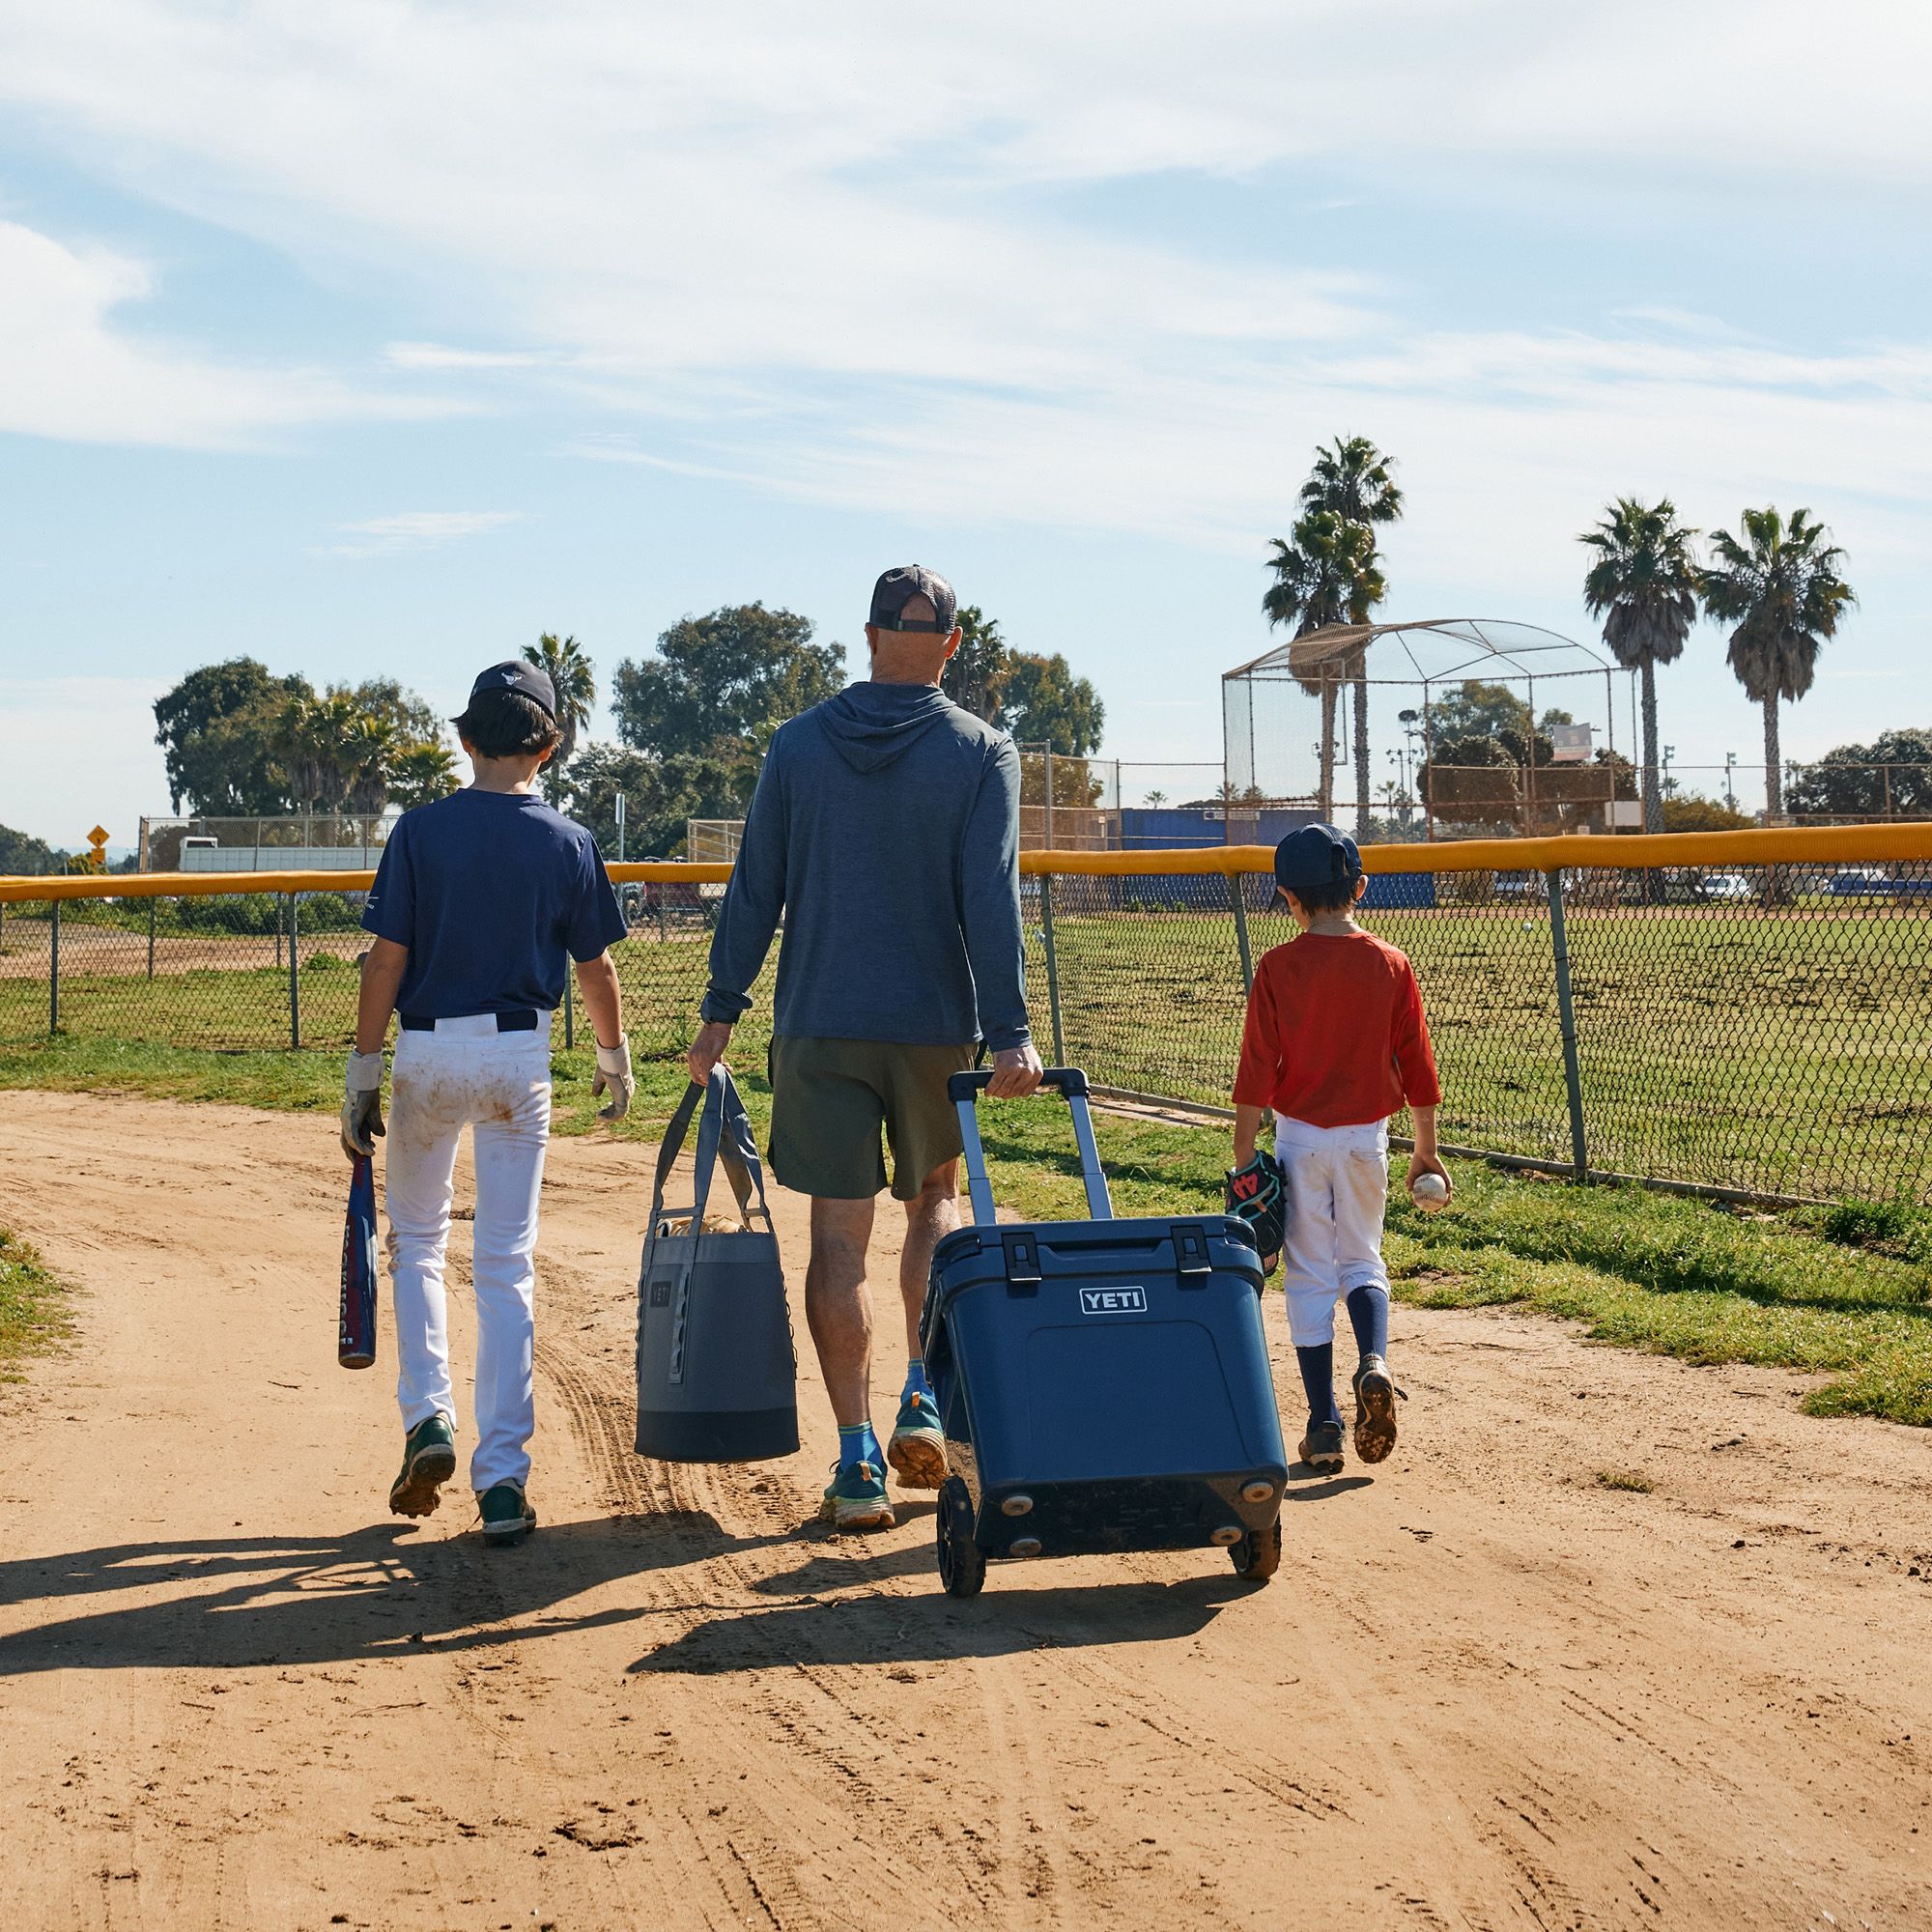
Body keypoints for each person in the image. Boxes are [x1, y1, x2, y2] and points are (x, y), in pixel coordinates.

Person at [686, 565, 1044, 1531]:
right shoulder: (980, 750)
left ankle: (853, 1461)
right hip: (935, 1026)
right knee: (934, 1199)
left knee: (837, 1238)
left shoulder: (798, 747)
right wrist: (1009, 1027)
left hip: (819, 1021)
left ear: (867, 635)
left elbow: (753, 885)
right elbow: (990, 902)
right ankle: (921, 1391)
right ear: (952, 645)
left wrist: (720, 1007)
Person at [342, 660, 636, 1545]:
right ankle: (502, 1483)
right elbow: (597, 968)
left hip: (429, 1051)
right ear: (548, 747)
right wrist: (615, 1058)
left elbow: (385, 963)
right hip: (519, 1054)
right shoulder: (569, 840)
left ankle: (428, 1419)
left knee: (420, 1245)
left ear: (465, 741)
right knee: (507, 1265)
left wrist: (363, 1070)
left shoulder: (420, 833)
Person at [1229, 824, 1447, 1474]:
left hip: (1299, 1140)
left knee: (1309, 1276)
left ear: (1288, 899)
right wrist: (1427, 1149)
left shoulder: (1276, 967)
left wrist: (1244, 1152)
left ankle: (1324, 1423)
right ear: (1361, 888)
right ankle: (1374, 1360)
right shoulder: (1391, 962)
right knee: (1362, 1261)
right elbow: (1417, 1060)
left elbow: (1257, 1064)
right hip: (1367, 1142)